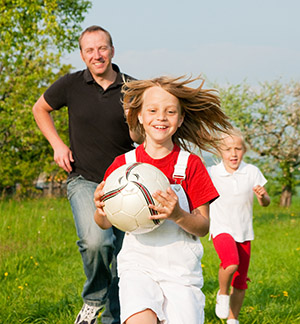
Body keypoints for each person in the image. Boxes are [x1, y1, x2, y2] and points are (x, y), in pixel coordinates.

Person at [93, 75, 233, 324]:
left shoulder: (191, 165)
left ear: (179, 120)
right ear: (139, 115)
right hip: (138, 265)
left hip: (181, 273)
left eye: (170, 112)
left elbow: (203, 227)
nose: (161, 117)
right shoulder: (122, 166)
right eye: (153, 110)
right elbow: (104, 224)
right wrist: (101, 210)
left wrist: (177, 214)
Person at [32, 25, 142, 324]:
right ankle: (94, 300)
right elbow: (39, 108)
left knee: (124, 258)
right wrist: (57, 145)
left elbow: (148, 131)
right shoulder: (70, 84)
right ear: (82, 55)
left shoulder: (133, 87)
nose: (97, 55)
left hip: (126, 185)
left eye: (102, 48)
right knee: (97, 243)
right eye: (90, 50)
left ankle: (114, 317)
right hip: (84, 178)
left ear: (112, 51)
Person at [207, 128, 271, 324]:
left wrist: (262, 196)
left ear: (244, 150)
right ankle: (223, 293)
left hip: (243, 231)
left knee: (241, 281)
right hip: (221, 228)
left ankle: (233, 319)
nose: (233, 153)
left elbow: (266, 201)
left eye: (238, 148)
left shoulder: (251, 172)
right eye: (227, 149)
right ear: (220, 152)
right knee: (231, 263)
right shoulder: (212, 173)